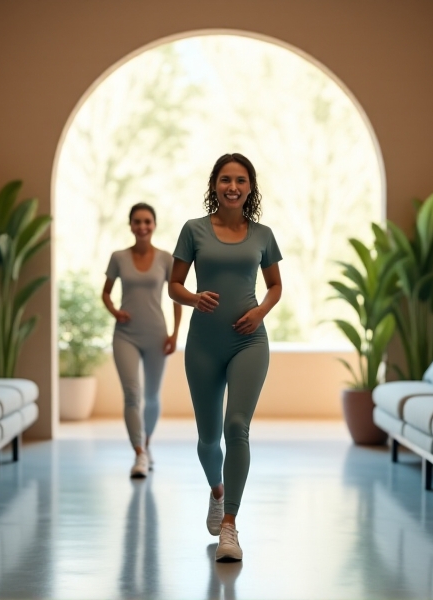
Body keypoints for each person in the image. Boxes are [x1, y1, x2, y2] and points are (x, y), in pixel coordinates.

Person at [168, 153, 282, 562]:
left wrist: (260, 312)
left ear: (250, 187)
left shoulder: (263, 234)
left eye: (240, 180)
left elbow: (275, 287)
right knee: (207, 437)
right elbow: (174, 285)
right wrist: (194, 298)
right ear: (214, 185)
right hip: (203, 344)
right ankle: (217, 491)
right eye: (224, 180)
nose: (232, 186)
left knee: (238, 427)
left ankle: (230, 526)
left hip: (248, 342)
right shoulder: (193, 230)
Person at [103, 203, 182, 478]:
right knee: (132, 394)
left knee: (151, 397)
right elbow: (105, 293)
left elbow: (176, 295)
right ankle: (138, 453)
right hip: (125, 334)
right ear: (130, 225)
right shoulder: (118, 257)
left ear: (154, 224)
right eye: (137, 221)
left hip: (156, 335)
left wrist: (175, 333)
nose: (142, 226)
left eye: (147, 221)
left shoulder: (165, 259)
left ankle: (146, 444)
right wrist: (115, 311)